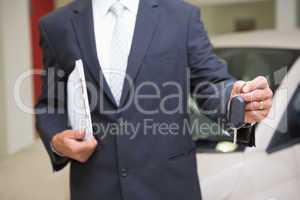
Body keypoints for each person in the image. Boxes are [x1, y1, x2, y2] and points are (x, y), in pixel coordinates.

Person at [35, 0, 273, 199]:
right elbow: (51, 104)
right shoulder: (56, 26)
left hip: (169, 186)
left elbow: (210, 83)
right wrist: (57, 141)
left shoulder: (182, 16)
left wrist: (235, 101)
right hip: (96, 188)